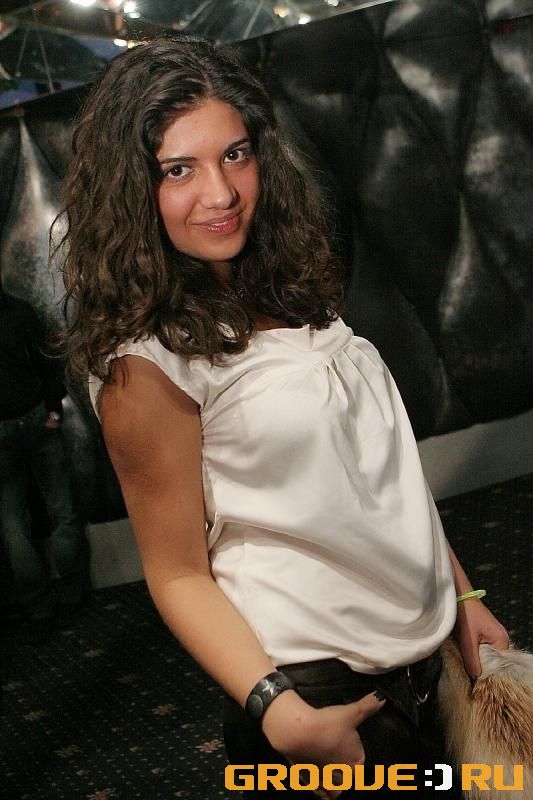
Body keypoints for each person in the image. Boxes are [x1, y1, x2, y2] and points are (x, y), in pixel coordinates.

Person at [57, 36, 509, 797]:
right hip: (315, 694)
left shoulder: (290, 289)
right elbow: (176, 574)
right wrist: (280, 711)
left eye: (235, 155)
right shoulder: (146, 365)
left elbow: (377, 476)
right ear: (131, 189)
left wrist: (459, 597)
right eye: (178, 170)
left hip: (423, 658)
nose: (221, 193)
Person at [0, 290, 85, 644]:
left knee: (13, 525)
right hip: (34, 416)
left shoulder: (19, 311)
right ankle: (71, 596)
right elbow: (48, 360)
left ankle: (38, 607)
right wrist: (53, 410)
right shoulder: (18, 311)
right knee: (62, 510)